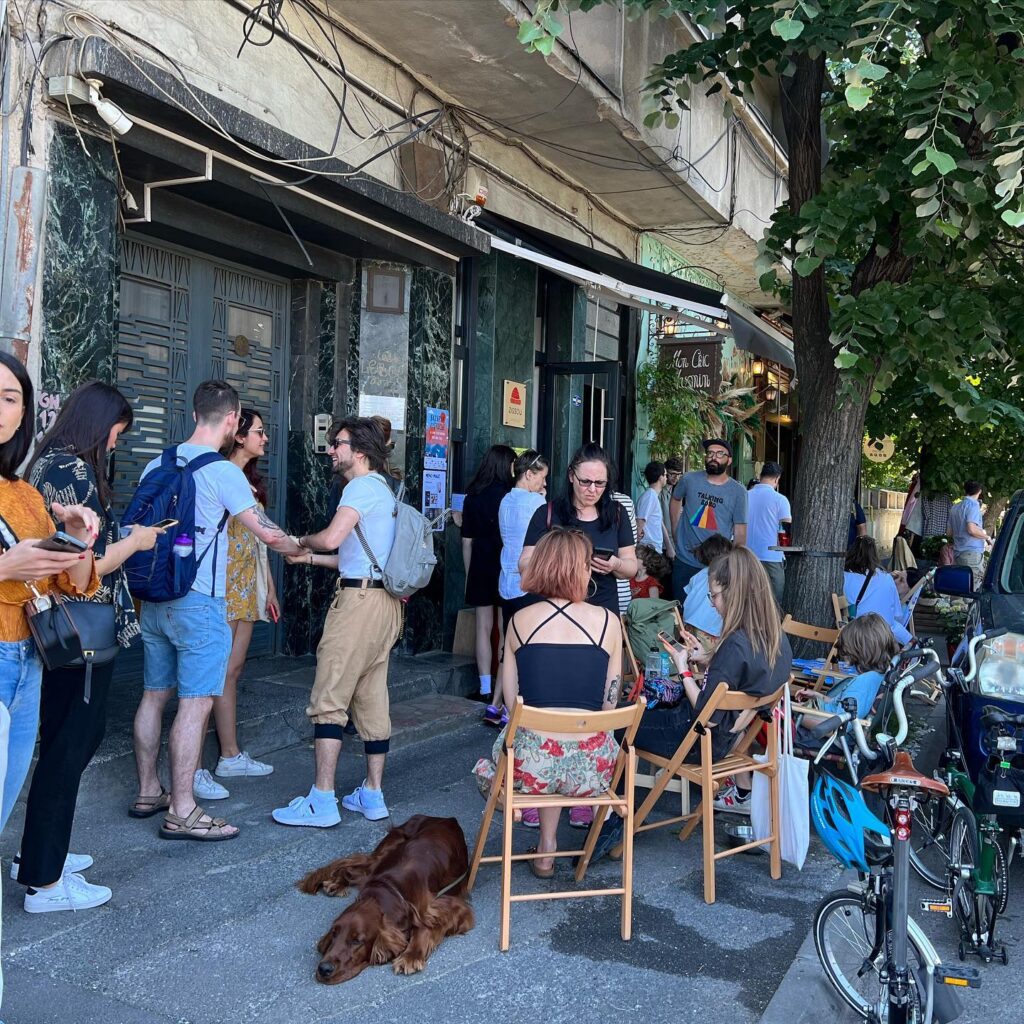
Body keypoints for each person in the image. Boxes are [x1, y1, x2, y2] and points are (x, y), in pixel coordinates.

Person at [15, 383, 164, 912]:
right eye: (117, 433)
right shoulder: (70, 470)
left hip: (77, 627)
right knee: (69, 744)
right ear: (99, 425)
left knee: (68, 740)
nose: (117, 445)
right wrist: (137, 541)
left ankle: (40, 854)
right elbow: (84, 565)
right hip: (82, 627)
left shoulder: (50, 464)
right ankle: (44, 880)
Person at [131, 381, 301, 842]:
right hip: (200, 602)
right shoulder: (225, 473)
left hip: (156, 597)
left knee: (153, 695)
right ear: (232, 420)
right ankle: (183, 809)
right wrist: (302, 547)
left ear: (194, 413)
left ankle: (149, 790)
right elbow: (266, 532)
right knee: (194, 703)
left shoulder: (157, 461)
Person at [472, 528, 623, 875]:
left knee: (533, 741)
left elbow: (513, 707)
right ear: (579, 570)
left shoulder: (519, 622)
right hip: (594, 772)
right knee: (565, 740)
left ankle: (546, 847)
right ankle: (548, 844)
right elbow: (609, 706)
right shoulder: (609, 623)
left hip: (530, 769)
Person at [274, 417, 402, 826]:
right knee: (371, 696)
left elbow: (331, 539)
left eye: (337, 443)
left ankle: (323, 800)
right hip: (385, 603)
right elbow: (352, 557)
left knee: (329, 697)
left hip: (358, 603)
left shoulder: (360, 487)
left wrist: (301, 542)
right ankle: (372, 794)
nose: (331, 449)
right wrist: (309, 559)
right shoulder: (386, 489)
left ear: (359, 451)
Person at [0, 357, 101, 839]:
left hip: (28, 658)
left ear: (24, 414)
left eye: (9, 397)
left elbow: (74, 582)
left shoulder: (24, 495)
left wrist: (78, 538)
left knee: (4, 795)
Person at [643, 547, 793, 815]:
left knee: (619, 723)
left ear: (733, 594)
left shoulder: (735, 645)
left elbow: (708, 715)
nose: (712, 602)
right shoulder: (777, 639)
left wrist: (684, 669)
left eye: (714, 595)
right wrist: (709, 659)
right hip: (726, 742)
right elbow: (740, 678)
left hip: (696, 741)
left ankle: (613, 818)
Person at [192, 408, 280, 803]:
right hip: (218, 585)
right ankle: (191, 767)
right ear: (239, 435)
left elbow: (261, 540)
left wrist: (271, 589)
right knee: (209, 675)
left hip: (247, 586)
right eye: (259, 432)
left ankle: (229, 755)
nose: (265, 439)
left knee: (233, 670)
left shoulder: (252, 482)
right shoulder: (218, 473)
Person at [520, 443, 637, 615]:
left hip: (602, 610)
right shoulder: (548, 513)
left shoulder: (617, 513)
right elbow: (524, 564)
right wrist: (562, 561)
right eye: (585, 481)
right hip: (555, 610)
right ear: (571, 476)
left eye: (600, 483)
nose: (592, 489)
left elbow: (631, 566)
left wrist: (615, 564)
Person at [488, 449, 549, 727]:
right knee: (526, 647)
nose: (544, 484)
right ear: (529, 474)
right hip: (530, 581)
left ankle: (496, 704)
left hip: (505, 581)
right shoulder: (536, 503)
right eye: (542, 478)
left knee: (507, 645)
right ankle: (516, 710)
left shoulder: (504, 500)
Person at [461, 445, 516, 702]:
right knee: (506, 629)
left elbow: (466, 541)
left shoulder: (473, 495)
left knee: (482, 627)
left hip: (480, 562)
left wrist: (468, 572)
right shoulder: (511, 496)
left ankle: (483, 687)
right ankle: (503, 688)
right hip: (506, 563)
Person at [795, 614, 900, 746]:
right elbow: (841, 706)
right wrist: (817, 695)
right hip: (830, 721)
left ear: (860, 651)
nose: (845, 657)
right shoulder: (878, 677)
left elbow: (836, 728)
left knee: (778, 721)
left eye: (848, 652)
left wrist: (796, 715)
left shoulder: (862, 685)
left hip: (829, 738)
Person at [669, 439, 747, 601]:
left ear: (729, 460)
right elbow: (675, 499)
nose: (713, 457)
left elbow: (740, 531)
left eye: (720, 454)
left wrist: (731, 562)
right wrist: (675, 531)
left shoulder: (738, 491)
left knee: (711, 614)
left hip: (716, 565)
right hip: (685, 559)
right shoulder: (689, 479)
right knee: (680, 610)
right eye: (710, 453)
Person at [843, 537, 912, 646]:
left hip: (855, 634)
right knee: (896, 628)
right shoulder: (886, 578)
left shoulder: (844, 576)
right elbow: (897, 615)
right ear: (875, 554)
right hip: (881, 637)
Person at [745, 462, 791, 604]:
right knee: (773, 602)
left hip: (746, 555)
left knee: (749, 600)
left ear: (760, 476)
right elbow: (786, 525)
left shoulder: (745, 496)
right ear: (777, 479)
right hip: (771, 556)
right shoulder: (780, 499)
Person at [682, 535, 734, 645]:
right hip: (709, 629)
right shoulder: (728, 577)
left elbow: (689, 594)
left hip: (689, 623)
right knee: (709, 657)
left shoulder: (699, 575)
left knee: (692, 654)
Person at [949, 480, 992, 575]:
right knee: (973, 585)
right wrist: (987, 537)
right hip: (971, 553)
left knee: (961, 585)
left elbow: (949, 533)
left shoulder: (955, 507)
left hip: (957, 553)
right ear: (979, 491)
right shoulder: (973, 506)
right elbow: (971, 530)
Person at [611, 488, 639, 616]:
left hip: (618, 584)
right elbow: (633, 542)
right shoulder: (624, 501)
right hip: (620, 587)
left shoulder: (621, 504)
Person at [635, 461, 667, 555]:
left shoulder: (651, 496)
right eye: (665, 475)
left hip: (651, 548)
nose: (666, 477)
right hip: (648, 550)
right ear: (660, 478)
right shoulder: (650, 496)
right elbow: (640, 521)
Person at [661, 458, 684, 561]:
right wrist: (669, 546)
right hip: (663, 544)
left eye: (679, 474)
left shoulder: (677, 492)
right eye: (673, 474)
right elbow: (659, 521)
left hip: (675, 542)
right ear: (665, 473)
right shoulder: (659, 492)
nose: (676, 477)